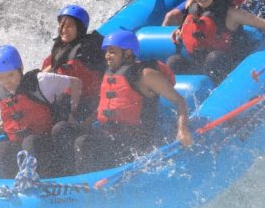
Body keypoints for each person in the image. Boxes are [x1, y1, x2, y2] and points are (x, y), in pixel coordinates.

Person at [74, 30, 193, 174]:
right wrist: (83, 125)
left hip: (134, 142)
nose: (107, 56)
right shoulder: (111, 73)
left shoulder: (146, 75)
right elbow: (104, 106)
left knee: (84, 143)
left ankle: (84, 182)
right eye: (107, 52)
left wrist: (182, 129)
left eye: (112, 52)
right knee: (64, 129)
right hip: (109, 135)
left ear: (128, 53)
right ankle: (61, 176)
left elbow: (179, 101)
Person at [0, 45, 83, 179]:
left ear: (21, 69)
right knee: (2, 149)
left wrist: (72, 112)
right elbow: (7, 123)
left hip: (49, 144)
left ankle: (46, 182)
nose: (6, 82)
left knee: (30, 142)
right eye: (0, 77)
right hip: (23, 148)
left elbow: (76, 83)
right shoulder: (1, 93)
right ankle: (13, 186)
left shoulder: (41, 81)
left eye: (11, 75)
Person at [40, 4, 105, 121]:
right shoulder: (60, 49)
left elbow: (73, 76)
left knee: (60, 101)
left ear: (79, 29)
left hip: (87, 101)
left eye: (70, 26)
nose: (64, 30)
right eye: (62, 25)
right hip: (71, 97)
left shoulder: (86, 50)